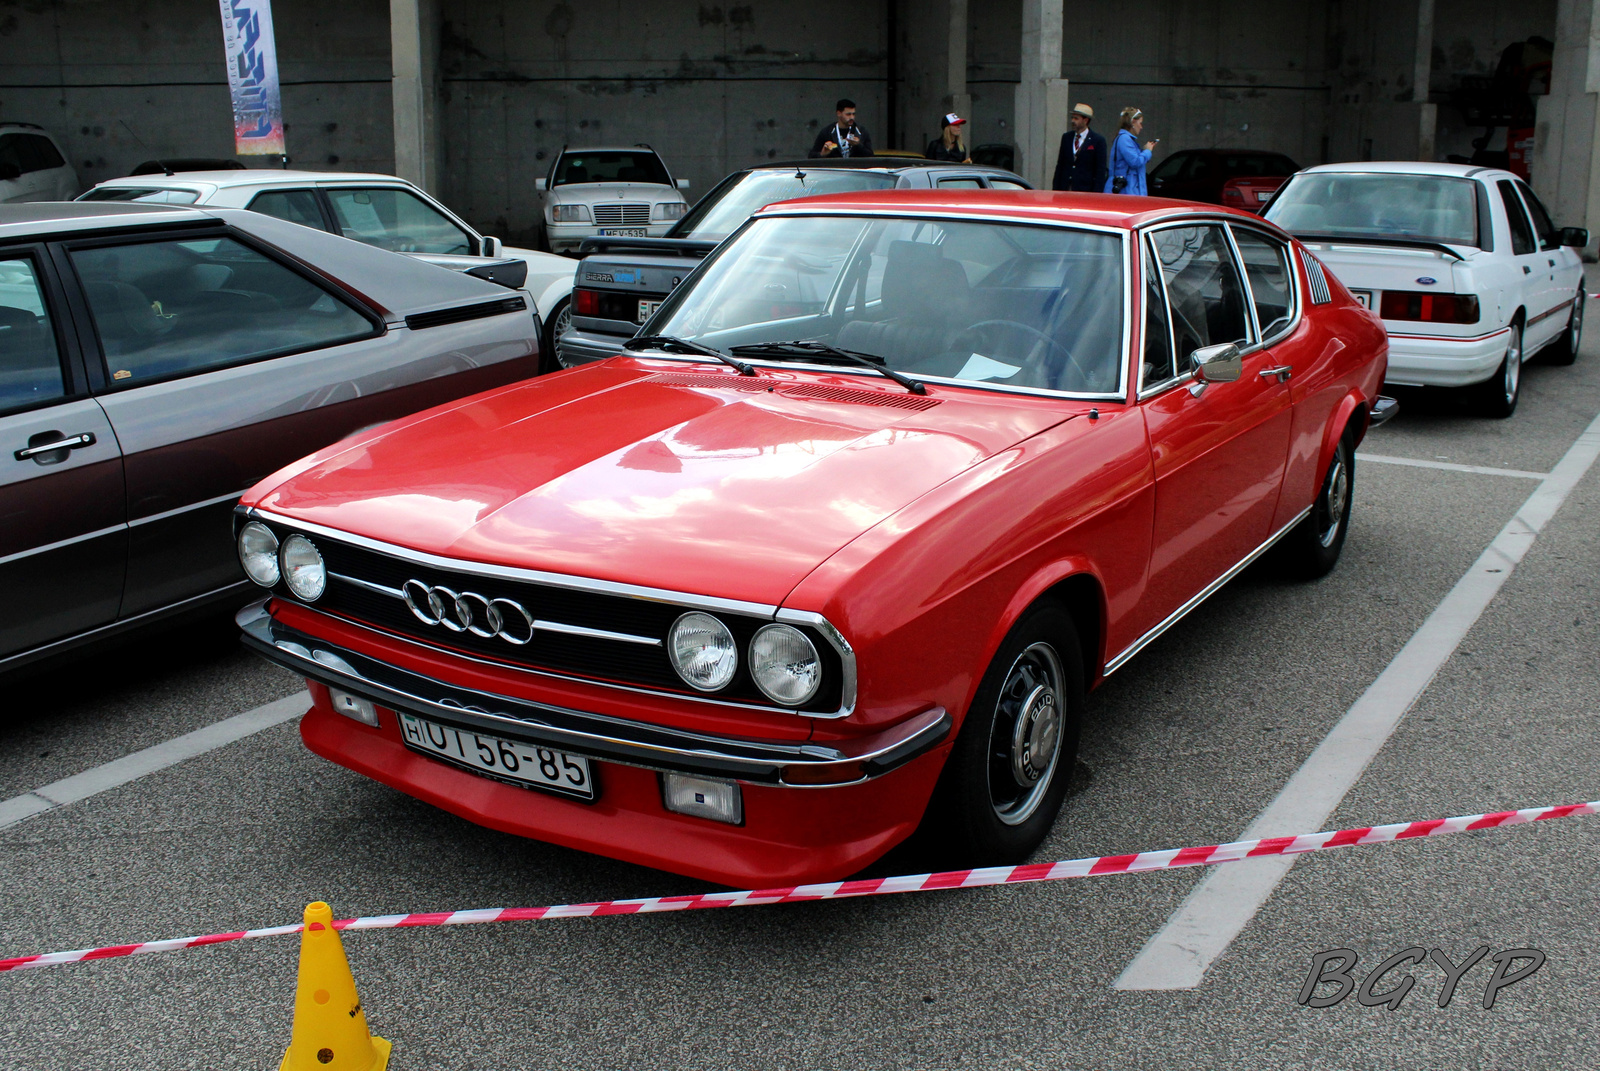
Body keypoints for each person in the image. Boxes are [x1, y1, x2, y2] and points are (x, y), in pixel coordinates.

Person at [1051, 103, 1107, 192]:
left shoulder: (1098, 140)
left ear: (1085, 120)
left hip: (1085, 191)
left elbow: (1100, 171)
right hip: (1065, 189)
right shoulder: (1066, 137)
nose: (1073, 121)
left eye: (1076, 118)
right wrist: (1055, 189)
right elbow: (1060, 165)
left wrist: (1096, 194)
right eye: (1072, 118)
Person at [1105, 106, 1156, 195]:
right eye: (1140, 123)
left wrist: (1143, 151)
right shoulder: (1124, 139)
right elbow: (1135, 162)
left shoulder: (1126, 139)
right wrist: (1147, 151)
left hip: (1128, 190)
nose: (1141, 127)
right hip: (1127, 191)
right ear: (1133, 122)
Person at [809, 99, 874, 159]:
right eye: (848, 114)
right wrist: (822, 154)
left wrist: (858, 145)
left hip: (855, 170)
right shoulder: (827, 132)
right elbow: (811, 157)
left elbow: (870, 156)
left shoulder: (861, 131)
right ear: (839, 113)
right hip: (835, 170)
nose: (852, 117)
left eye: (853, 114)